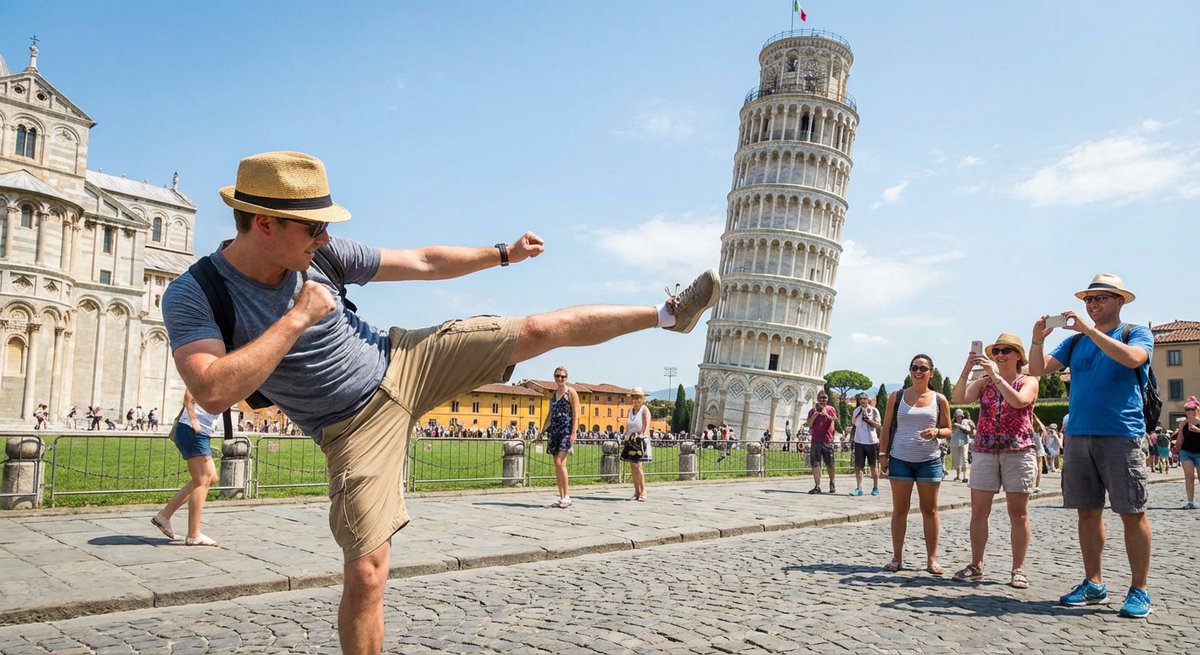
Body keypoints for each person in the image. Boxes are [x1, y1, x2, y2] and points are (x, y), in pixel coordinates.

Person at [162, 151, 720, 654]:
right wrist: (296, 318)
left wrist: (502, 254)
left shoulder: (322, 256)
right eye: (314, 227)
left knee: (537, 330)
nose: (325, 238)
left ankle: (669, 315)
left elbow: (424, 261)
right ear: (264, 223)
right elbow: (212, 389)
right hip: (348, 428)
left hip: (405, 359)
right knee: (367, 573)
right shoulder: (196, 294)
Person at [1030, 272, 1153, 619]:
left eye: (1100, 298)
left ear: (1119, 301)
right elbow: (1038, 369)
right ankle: (1093, 583)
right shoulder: (1074, 343)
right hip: (1080, 435)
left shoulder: (1135, 333)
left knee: (1132, 512)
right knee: (1086, 512)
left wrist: (1089, 330)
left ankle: (1140, 589)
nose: (1093, 304)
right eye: (1089, 299)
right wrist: (1037, 340)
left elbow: (1132, 359)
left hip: (1121, 434)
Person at [950, 333, 1040, 589]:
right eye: (996, 351)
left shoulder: (1028, 381)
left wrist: (996, 377)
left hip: (1018, 451)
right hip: (985, 450)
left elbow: (1019, 401)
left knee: (1018, 513)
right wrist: (968, 368)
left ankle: (1018, 569)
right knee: (979, 512)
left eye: (1005, 351)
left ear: (1018, 355)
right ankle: (976, 565)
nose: (999, 355)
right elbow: (959, 398)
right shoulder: (984, 382)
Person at [878, 354, 952, 574]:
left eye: (923, 368)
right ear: (910, 371)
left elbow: (948, 430)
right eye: (914, 367)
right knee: (900, 510)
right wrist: (882, 454)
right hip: (900, 458)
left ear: (931, 372)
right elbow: (886, 427)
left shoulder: (940, 399)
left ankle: (932, 560)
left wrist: (936, 431)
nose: (918, 372)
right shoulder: (896, 396)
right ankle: (897, 558)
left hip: (929, 460)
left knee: (930, 510)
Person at [151, 390, 222, 546]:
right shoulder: (213, 376)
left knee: (211, 478)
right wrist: (193, 419)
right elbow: (188, 394)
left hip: (199, 431)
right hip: (193, 429)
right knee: (202, 480)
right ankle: (194, 535)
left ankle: (164, 516)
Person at [547, 366, 580, 508]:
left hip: (566, 430)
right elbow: (550, 415)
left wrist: (574, 432)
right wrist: (541, 432)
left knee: (561, 463)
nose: (560, 379)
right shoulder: (553, 394)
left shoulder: (571, 392)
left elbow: (576, 413)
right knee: (557, 464)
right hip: (554, 431)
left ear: (567, 378)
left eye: (563, 376)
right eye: (557, 376)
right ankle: (561, 497)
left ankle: (567, 496)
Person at [621, 387, 652, 501]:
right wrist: (625, 435)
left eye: (639, 397)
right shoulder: (630, 410)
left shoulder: (645, 410)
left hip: (640, 440)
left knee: (638, 466)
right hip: (631, 440)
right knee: (633, 467)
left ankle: (643, 491)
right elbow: (628, 425)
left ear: (643, 399)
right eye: (635, 397)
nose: (637, 400)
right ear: (632, 399)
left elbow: (647, 425)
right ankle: (636, 492)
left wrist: (641, 435)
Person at [849, 392, 881, 496]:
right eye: (860, 399)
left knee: (873, 466)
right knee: (858, 467)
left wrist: (868, 420)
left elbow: (878, 425)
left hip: (871, 441)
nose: (862, 400)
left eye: (864, 398)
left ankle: (875, 487)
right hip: (859, 441)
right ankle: (859, 488)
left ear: (868, 399)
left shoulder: (874, 410)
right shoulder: (856, 410)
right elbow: (854, 423)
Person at [805, 391, 837, 494]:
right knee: (815, 463)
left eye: (824, 398)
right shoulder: (812, 411)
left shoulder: (831, 409)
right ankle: (817, 485)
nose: (822, 400)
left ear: (827, 399)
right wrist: (816, 413)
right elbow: (809, 424)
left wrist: (825, 414)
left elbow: (833, 419)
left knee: (830, 464)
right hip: (816, 440)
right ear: (818, 399)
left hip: (828, 440)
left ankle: (832, 482)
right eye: (821, 398)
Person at [1171, 397, 1200, 509]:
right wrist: (1176, 448)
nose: (1189, 412)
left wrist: (1198, 430)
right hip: (1186, 452)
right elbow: (1180, 438)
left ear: (1197, 410)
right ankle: (1190, 502)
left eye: (1192, 409)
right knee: (1189, 476)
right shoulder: (1183, 424)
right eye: (1187, 410)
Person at [948, 409, 975, 483]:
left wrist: (960, 426)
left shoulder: (965, 421)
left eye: (959, 416)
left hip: (964, 442)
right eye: (957, 416)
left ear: (962, 416)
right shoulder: (952, 422)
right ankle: (958, 476)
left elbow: (969, 429)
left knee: (964, 458)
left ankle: (965, 476)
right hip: (954, 442)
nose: (958, 417)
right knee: (956, 459)